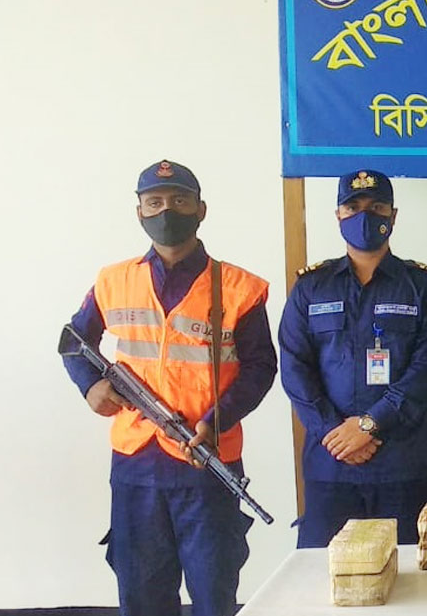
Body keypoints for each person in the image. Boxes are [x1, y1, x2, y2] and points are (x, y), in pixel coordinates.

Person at [60, 160, 276, 616]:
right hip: (136, 464)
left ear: (201, 209)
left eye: (179, 200)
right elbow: (73, 341)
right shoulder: (114, 280)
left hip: (207, 461)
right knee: (141, 596)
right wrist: (91, 386)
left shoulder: (239, 287)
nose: (167, 211)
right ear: (139, 212)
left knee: (214, 594)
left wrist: (217, 421)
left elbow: (260, 368)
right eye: (154, 202)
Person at [279, 169, 427, 547]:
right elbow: (294, 367)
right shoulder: (311, 287)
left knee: (410, 574)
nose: (364, 216)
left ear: (393, 215)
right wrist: (334, 432)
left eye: (376, 207)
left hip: (403, 465)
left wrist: (370, 425)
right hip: (331, 463)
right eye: (353, 207)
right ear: (338, 215)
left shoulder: (424, 287)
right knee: (323, 573)